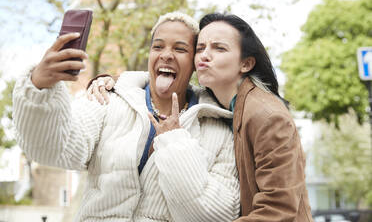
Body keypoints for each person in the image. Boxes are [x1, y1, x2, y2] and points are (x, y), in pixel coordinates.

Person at [12, 12, 240, 222]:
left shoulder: (218, 128)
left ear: (194, 63)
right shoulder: (107, 100)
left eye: (180, 49)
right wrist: (40, 87)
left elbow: (220, 213)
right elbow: (54, 149)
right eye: (158, 46)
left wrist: (175, 144)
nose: (166, 55)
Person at [89, 12, 314, 221]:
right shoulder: (218, 104)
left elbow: (279, 209)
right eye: (201, 48)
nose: (205, 56)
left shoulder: (267, 116)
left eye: (219, 48)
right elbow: (157, 78)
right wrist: (111, 80)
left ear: (246, 63)